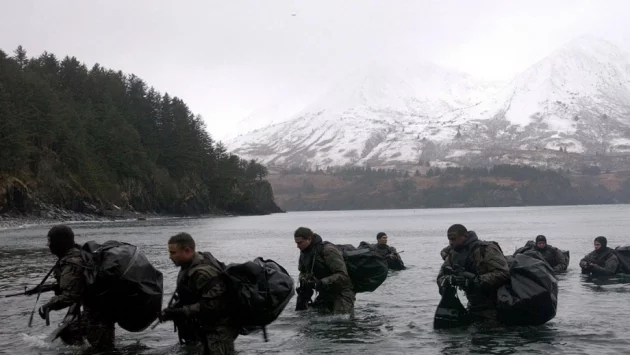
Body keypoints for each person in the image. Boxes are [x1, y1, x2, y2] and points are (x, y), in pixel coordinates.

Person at [38, 225, 115, 350]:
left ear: (59, 242)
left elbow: (70, 296)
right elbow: (79, 285)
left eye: (50, 241)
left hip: (100, 313)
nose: (48, 245)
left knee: (102, 351)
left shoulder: (72, 262)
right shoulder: (77, 253)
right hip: (97, 309)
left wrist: (49, 305)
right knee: (69, 331)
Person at [160, 232, 238, 355]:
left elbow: (214, 305)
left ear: (187, 250)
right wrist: (172, 310)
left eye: (173, 252)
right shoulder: (188, 266)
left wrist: (179, 312)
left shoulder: (203, 273)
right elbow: (192, 295)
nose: (170, 257)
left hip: (217, 334)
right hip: (203, 331)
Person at [437, 224, 510, 321]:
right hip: (474, 306)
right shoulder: (453, 254)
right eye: (449, 239)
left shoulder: (485, 250)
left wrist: (475, 281)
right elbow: (441, 277)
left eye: (454, 239)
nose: (451, 242)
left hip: (496, 305)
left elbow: (504, 273)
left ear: (465, 236)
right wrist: (450, 280)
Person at [294, 227, 355, 314]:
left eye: (300, 243)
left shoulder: (328, 251)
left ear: (309, 239)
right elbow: (303, 272)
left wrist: (321, 282)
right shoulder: (305, 253)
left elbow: (343, 276)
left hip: (342, 291)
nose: (297, 246)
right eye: (296, 243)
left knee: (340, 319)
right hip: (325, 292)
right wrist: (305, 281)